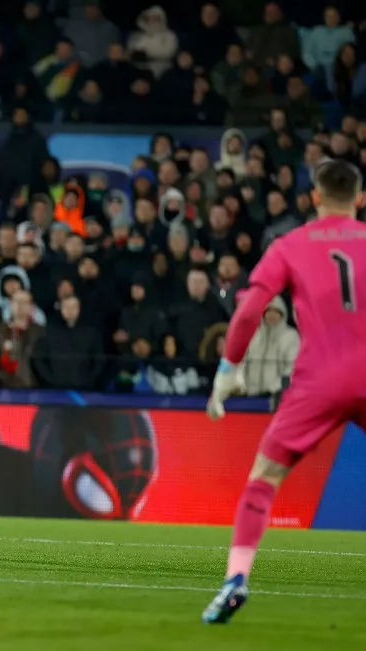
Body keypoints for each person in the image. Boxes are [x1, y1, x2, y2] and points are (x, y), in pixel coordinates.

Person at [202, 160, 366, 623]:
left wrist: (228, 369)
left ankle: (236, 579)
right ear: (360, 199)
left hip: (319, 380)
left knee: (264, 477)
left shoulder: (289, 245)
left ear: (314, 196)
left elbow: (251, 308)